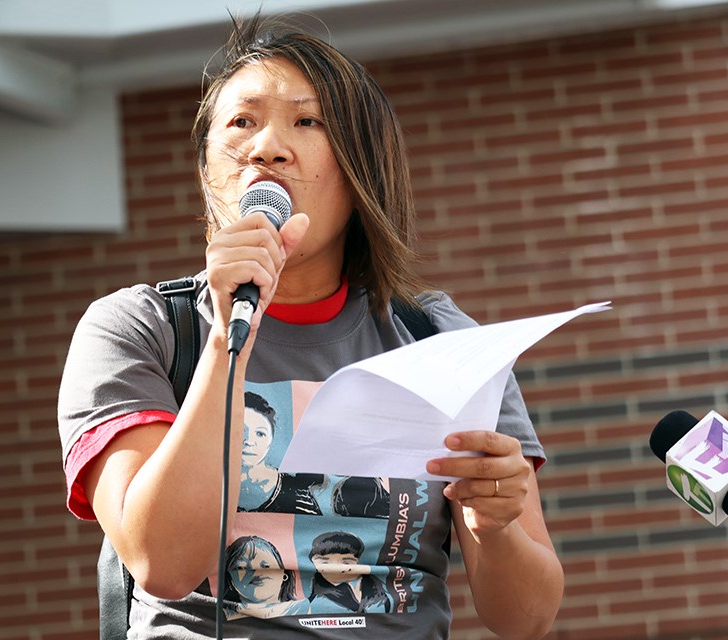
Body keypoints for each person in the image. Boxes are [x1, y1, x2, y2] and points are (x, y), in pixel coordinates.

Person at [57, 12, 564, 639]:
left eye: (307, 120)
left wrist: (500, 525)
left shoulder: (441, 339)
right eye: (241, 122)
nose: (268, 146)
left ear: (359, 172)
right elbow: (161, 563)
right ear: (206, 173)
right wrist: (226, 340)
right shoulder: (139, 329)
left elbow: (528, 618)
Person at [239, 391, 323, 514]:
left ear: (271, 438)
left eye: (260, 434)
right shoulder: (207, 485)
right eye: (241, 430)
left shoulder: (297, 494)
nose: (249, 441)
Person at [223, 535, 310, 620]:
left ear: (284, 574)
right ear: (230, 581)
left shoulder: (303, 608)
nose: (256, 572)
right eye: (241, 567)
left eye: (266, 566)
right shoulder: (221, 615)